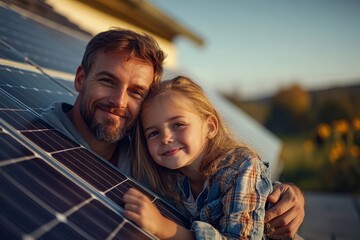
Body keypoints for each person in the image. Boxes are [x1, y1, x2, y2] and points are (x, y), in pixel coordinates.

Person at [41, 27, 305, 239]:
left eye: (136, 92)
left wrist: (275, 194)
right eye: (107, 81)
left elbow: (222, 181)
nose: (119, 102)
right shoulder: (33, 140)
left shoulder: (144, 150)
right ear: (80, 79)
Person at [123, 75, 272, 239]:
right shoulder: (166, 179)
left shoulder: (241, 168)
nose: (165, 138)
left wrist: (165, 228)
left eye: (178, 124)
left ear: (210, 127)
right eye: (154, 133)